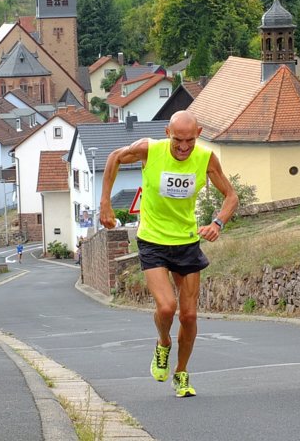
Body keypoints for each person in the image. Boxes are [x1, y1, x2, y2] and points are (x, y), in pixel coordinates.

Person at [99, 110, 238, 398]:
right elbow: (114, 156)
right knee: (166, 308)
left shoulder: (206, 158)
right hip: (152, 240)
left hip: (186, 242)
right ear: (167, 133)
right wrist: (105, 204)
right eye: (178, 140)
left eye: (189, 140)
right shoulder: (149, 150)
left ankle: (181, 373)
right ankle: (163, 343)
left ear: (198, 134)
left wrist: (218, 222)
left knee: (189, 316)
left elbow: (231, 196)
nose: (184, 147)